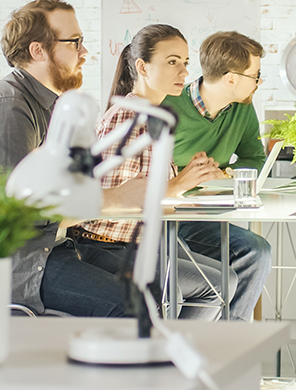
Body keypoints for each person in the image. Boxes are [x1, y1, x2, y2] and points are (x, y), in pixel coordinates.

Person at [0, 0, 131, 317]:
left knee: (156, 285)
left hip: (54, 247)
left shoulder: (49, 104)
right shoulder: (8, 108)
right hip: (19, 263)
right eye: (74, 42)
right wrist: (115, 198)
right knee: (132, 307)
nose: (84, 53)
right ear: (38, 50)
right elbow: (27, 211)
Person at [76, 24, 237, 321]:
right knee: (213, 285)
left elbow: (155, 196)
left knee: (223, 280)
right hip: (104, 246)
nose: (184, 73)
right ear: (142, 67)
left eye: (185, 63)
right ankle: (173, 360)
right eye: (172, 62)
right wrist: (177, 184)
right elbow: (106, 206)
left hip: (137, 242)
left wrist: (192, 178)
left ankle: (179, 358)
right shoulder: (128, 115)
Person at [161, 31, 272, 322]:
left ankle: (227, 346)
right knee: (235, 264)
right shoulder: (167, 106)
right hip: (168, 218)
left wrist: (228, 175)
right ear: (232, 78)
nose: (259, 83)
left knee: (256, 251)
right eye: (255, 75)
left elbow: (255, 158)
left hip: (209, 217)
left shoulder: (242, 110)